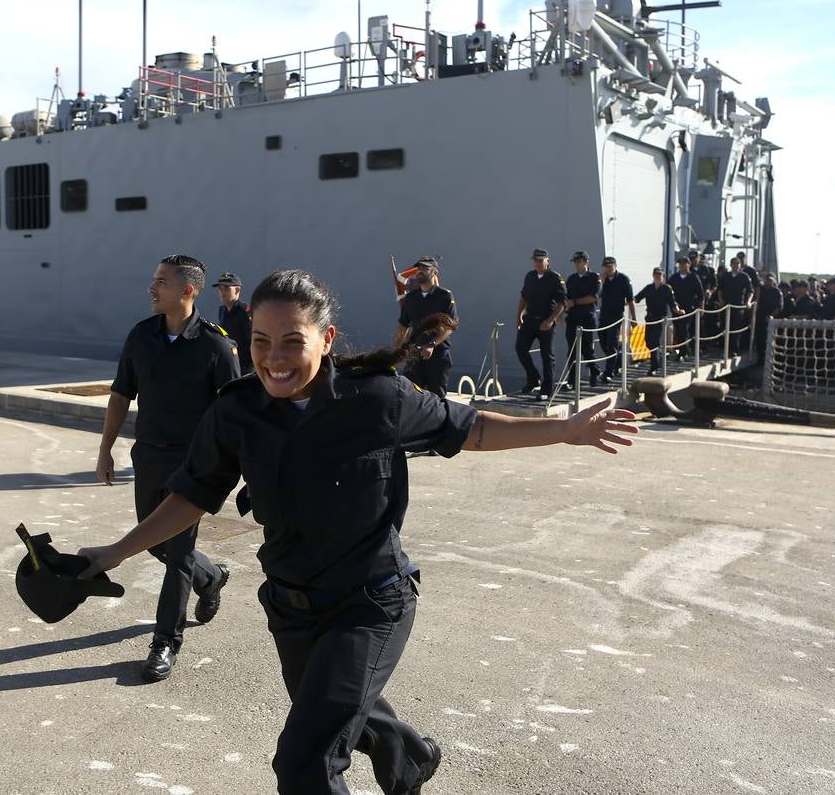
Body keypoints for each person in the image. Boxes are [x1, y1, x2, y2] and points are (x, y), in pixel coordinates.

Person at [76, 268, 638, 795]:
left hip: (370, 603)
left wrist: (567, 429)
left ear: (326, 338)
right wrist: (117, 552)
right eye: (261, 342)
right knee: (345, 711)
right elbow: (192, 496)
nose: (274, 359)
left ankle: (398, 757)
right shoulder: (236, 412)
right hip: (291, 606)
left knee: (306, 760)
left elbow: (473, 429)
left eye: (292, 341)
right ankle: (410, 757)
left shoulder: (377, 399)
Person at [96, 254, 239, 682]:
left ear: (186, 290)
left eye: (160, 281)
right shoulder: (141, 337)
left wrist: (227, 465)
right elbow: (121, 395)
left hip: (192, 464)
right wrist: (106, 449)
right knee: (152, 541)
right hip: (149, 457)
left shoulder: (217, 345)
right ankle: (210, 576)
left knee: (176, 554)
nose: (151, 288)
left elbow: (233, 412)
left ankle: (165, 642)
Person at [395, 257, 458, 397]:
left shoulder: (444, 296)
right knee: (410, 396)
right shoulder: (411, 297)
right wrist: (397, 350)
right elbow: (403, 325)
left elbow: (450, 326)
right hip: (414, 354)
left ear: (434, 272)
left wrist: (432, 344)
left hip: (437, 355)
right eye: (419, 268)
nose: (420, 271)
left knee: (437, 398)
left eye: (425, 268)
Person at [515, 248, 566, 398]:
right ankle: (533, 378)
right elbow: (524, 297)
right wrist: (519, 316)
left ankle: (546, 390)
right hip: (530, 319)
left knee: (547, 356)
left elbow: (562, 303)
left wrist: (550, 321)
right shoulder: (530, 276)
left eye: (540, 260)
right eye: (535, 260)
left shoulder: (555, 278)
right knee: (520, 348)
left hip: (546, 320)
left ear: (547, 261)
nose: (537, 263)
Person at [562, 251, 601, 388]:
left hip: (587, 317)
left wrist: (575, 302)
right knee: (572, 350)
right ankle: (571, 381)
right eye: (575, 262)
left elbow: (593, 297)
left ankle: (594, 372)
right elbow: (566, 297)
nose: (576, 264)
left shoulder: (594, 277)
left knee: (587, 349)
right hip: (573, 317)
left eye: (579, 261)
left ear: (586, 262)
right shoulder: (571, 279)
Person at [634, 267, 681, 374]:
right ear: (653, 275)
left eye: (660, 274)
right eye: (656, 274)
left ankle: (654, 367)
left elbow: (672, 303)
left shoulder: (666, 288)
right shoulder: (649, 288)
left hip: (660, 319)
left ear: (663, 276)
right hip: (650, 318)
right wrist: (627, 301)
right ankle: (658, 357)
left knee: (654, 341)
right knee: (648, 341)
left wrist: (678, 311)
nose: (657, 276)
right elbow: (637, 298)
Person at [597, 256, 635, 383]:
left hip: (616, 315)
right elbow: (597, 296)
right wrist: (600, 283)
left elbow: (630, 300)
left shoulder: (623, 279)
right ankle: (618, 359)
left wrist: (633, 319)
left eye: (610, 266)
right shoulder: (603, 279)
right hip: (604, 315)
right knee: (603, 341)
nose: (608, 269)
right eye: (606, 266)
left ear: (615, 266)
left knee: (611, 343)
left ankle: (609, 372)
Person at [214, 272, 253, 373]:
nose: (222, 292)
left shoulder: (245, 312)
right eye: (220, 289)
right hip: (230, 365)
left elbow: (253, 341)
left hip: (246, 368)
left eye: (226, 288)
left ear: (237, 290)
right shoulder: (222, 310)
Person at [669, 255, 704, 356]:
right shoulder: (674, 278)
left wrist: (701, 308)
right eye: (680, 263)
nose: (681, 265)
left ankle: (683, 353)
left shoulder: (693, 277)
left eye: (684, 263)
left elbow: (701, 294)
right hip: (676, 308)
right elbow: (668, 290)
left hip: (689, 308)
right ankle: (684, 349)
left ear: (688, 264)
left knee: (684, 329)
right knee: (678, 329)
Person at [718, 256, 754, 353]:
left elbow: (750, 291)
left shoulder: (744, 276)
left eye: (737, 264)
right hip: (726, 305)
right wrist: (721, 300)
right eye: (734, 263)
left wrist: (748, 301)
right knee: (725, 326)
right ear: (731, 265)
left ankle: (734, 349)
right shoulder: (725, 276)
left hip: (738, 306)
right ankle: (725, 348)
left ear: (740, 265)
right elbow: (720, 289)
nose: (735, 266)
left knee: (736, 328)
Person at [753, 273, 783, 365]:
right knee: (759, 340)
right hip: (759, 318)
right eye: (767, 279)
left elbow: (779, 307)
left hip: (770, 320)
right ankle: (760, 360)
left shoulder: (777, 292)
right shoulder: (760, 290)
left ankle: (769, 362)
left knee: (769, 341)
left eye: (770, 280)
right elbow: (755, 302)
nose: (768, 281)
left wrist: (772, 315)